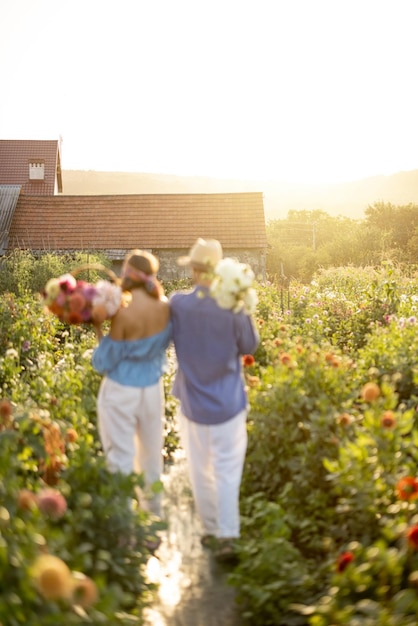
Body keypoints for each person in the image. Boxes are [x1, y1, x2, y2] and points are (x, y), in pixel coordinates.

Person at [169, 238, 259, 561]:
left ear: (193, 270)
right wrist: (243, 307)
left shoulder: (178, 304)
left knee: (199, 470)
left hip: (193, 405)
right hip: (228, 404)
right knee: (226, 471)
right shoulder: (232, 305)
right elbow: (249, 345)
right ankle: (227, 536)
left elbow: (163, 340)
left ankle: (209, 530)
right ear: (219, 270)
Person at [91, 250, 172, 518]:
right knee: (151, 455)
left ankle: (124, 525)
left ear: (128, 274)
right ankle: (154, 518)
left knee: (121, 457)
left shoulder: (122, 314)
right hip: (151, 391)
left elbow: (103, 362)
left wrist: (98, 328)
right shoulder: (165, 308)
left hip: (120, 391)